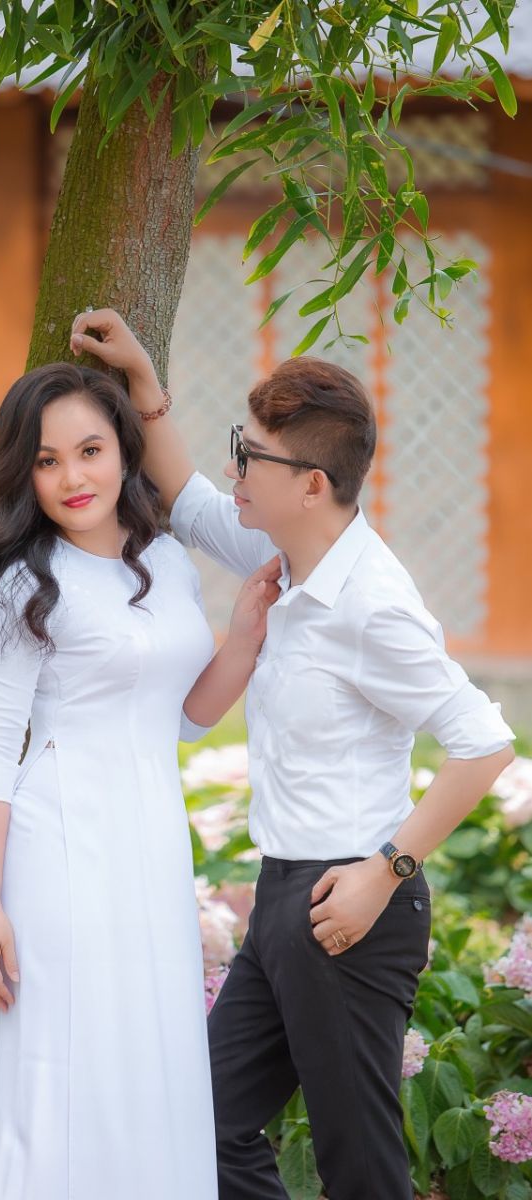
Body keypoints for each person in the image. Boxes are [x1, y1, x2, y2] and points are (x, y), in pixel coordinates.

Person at [70, 309, 516, 1200]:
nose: (236, 471)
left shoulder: (371, 603)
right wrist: (143, 383)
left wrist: (385, 870)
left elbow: (483, 744)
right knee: (204, 1128)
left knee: (360, 1167)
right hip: (283, 896)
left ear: (311, 484)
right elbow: (189, 500)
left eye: (251, 457)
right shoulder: (287, 555)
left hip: (350, 905)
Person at [0, 361, 275, 1200]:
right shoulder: (28, 583)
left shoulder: (167, 561)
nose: (72, 477)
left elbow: (182, 717)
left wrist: (242, 639)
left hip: (148, 842)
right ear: (25, 474)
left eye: (88, 450)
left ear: (122, 449)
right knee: (62, 1063)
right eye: (46, 461)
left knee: (141, 1052)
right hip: (58, 847)